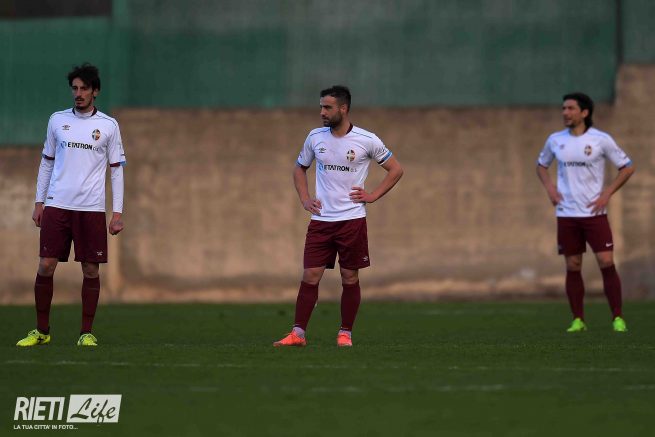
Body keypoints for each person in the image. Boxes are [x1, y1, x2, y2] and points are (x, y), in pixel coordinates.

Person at [274, 85, 403, 347]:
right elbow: (299, 169)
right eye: (321, 107)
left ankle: (345, 333)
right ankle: (297, 334)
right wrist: (305, 199)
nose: (322, 112)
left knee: (349, 277)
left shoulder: (367, 139)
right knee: (310, 275)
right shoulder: (315, 137)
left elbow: (396, 169)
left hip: (352, 221)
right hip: (321, 221)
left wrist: (373, 195)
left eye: (327, 107)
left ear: (343, 109)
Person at [16, 63, 126, 347]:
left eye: (84, 89)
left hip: (91, 208)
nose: (78, 94)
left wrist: (117, 213)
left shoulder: (109, 126)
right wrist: (39, 201)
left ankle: (86, 333)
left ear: (95, 91)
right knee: (46, 265)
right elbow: (46, 163)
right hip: (57, 205)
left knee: (90, 270)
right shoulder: (57, 120)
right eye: (74, 88)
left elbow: (116, 170)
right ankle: (42, 331)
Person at [536, 92, 634, 332]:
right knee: (573, 265)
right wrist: (550, 188)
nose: (565, 113)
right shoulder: (555, 140)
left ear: (584, 112)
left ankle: (617, 318)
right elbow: (541, 166)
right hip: (567, 214)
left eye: (570, 108)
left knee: (606, 261)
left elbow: (627, 167)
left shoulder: (601, 139)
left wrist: (607, 193)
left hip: (594, 214)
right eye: (563, 108)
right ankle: (578, 320)